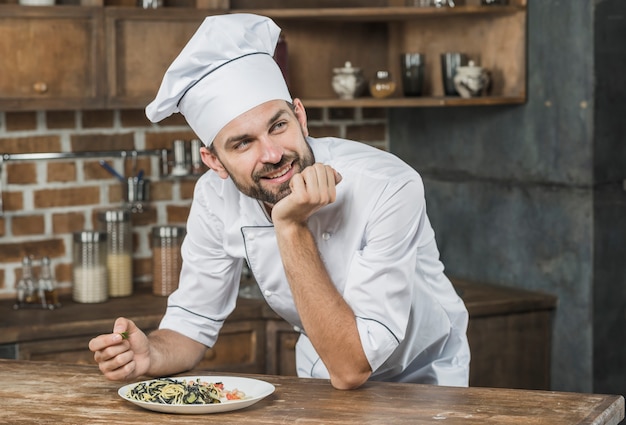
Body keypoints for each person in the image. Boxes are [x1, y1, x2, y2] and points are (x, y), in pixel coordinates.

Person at [89, 13, 470, 390]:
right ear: (214, 161)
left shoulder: (388, 185)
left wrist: (289, 226)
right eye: (243, 143)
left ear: (300, 118)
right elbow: (192, 323)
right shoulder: (213, 197)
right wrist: (150, 355)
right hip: (324, 375)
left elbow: (354, 366)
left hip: (425, 379)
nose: (272, 153)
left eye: (278, 126)